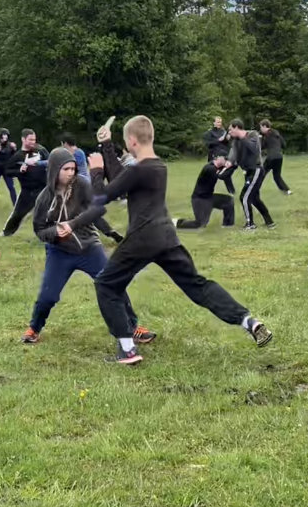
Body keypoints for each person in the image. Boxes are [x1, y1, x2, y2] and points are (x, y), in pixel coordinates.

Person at [90, 116, 273, 365]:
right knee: (197, 285)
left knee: (106, 285)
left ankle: (128, 350)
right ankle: (247, 321)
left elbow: (101, 196)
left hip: (142, 239)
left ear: (131, 141)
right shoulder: (157, 166)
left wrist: (96, 169)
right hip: (166, 237)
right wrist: (107, 145)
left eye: (125, 141)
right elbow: (122, 178)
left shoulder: (139, 170)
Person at [22, 146, 149, 344]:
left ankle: (132, 327)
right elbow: (39, 229)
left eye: (73, 169)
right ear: (55, 170)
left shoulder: (81, 184)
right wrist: (55, 232)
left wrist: (73, 225)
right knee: (48, 296)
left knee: (112, 285)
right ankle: (34, 328)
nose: (71, 173)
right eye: (66, 169)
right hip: (60, 252)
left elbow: (98, 210)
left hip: (89, 247)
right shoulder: (44, 198)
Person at [225, 120, 273, 230]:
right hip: (248, 171)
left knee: (244, 197)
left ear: (237, 128)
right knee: (255, 198)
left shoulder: (253, 135)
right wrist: (229, 161)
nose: (229, 132)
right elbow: (234, 152)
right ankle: (270, 222)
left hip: (256, 169)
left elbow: (254, 150)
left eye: (231, 129)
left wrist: (242, 137)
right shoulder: (236, 141)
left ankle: (250, 224)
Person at [1, 129, 50, 236]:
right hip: (28, 190)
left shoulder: (41, 150)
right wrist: (20, 170)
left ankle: (47, 233)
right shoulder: (18, 156)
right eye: (30, 139)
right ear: (23, 139)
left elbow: (51, 161)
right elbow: (8, 171)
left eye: (34, 139)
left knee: (47, 211)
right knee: (18, 214)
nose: (33, 142)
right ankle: (7, 233)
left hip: (44, 187)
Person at [174, 160, 236, 230]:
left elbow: (226, 178)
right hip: (200, 199)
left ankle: (228, 226)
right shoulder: (209, 168)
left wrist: (232, 191)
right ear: (217, 158)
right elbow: (222, 176)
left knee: (228, 201)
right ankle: (176, 222)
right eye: (225, 160)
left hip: (209, 197)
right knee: (200, 224)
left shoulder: (218, 167)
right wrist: (232, 167)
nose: (226, 162)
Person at [203, 117, 235, 194]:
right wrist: (218, 140)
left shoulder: (223, 131)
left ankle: (231, 191)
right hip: (213, 156)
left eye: (220, 122)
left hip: (223, 156)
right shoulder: (209, 133)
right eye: (217, 122)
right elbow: (208, 144)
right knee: (211, 174)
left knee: (225, 174)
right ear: (213, 123)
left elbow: (227, 144)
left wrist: (227, 139)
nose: (219, 124)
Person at [258, 120, 290, 194]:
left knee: (261, 174)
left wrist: (260, 139)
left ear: (265, 126)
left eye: (261, 127)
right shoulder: (277, 133)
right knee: (277, 176)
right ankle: (287, 190)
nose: (260, 129)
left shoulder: (266, 135)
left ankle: (255, 189)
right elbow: (284, 144)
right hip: (279, 157)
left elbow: (262, 146)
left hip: (271, 157)